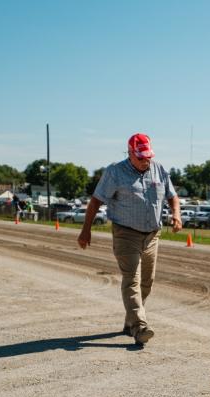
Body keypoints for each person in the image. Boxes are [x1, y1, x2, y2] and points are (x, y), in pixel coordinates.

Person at [77, 133, 182, 346]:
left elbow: (172, 196)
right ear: (131, 154)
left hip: (153, 235)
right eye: (141, 157)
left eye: (148, 157)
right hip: (126, 234)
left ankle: (130, 320)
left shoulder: (159, 170)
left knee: (146, 282)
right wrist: (85, 230)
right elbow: (96, 201)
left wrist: (176, 215)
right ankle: (140, 327)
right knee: (131, 279)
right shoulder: (115, 172)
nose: (146, 161)